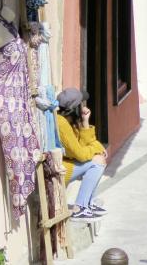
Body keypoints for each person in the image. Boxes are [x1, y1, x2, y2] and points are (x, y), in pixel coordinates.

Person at [55, 88, 107, 221]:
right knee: (98, 162)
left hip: (67, 163)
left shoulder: (69, 121)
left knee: (98, 158)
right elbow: (80, 154)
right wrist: (96, 149)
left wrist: (85, 122)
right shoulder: (61, 123)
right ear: (75, 107)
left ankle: (87, 203)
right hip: (61, 168)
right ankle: (80, 208)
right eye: (81, 104)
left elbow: (84, 145)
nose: (84, 106)